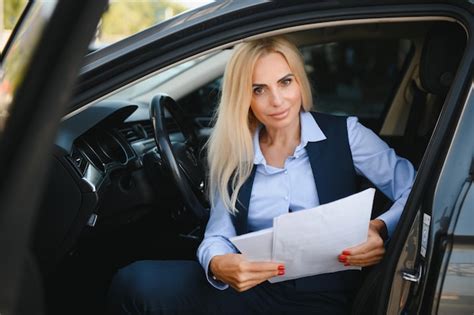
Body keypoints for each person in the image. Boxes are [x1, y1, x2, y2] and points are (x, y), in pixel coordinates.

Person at [108, 36, 415, 314]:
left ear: (299, 83)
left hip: (325, 296)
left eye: (285, 82)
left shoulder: (346, 134)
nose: (277, 100)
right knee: (133, 282)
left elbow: (414, 188)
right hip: (252, 288)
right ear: (245, 98)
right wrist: (217, 263)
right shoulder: (233, 152)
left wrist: (379, 228)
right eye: (259, 89)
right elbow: (218, 232)